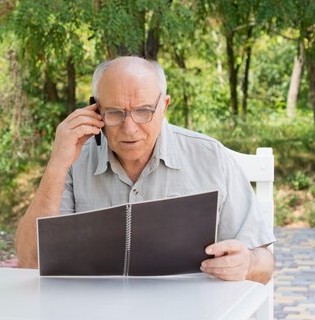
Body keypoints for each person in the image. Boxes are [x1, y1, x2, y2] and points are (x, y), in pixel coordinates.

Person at [15, 56, 274, 284]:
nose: (130, 128)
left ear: (164, 106)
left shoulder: (210, 158)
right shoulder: (74, 160)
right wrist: (57, 164)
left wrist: (247, 263)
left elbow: (264, 264)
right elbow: (30, 261)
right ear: (96, 110)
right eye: (115, 113)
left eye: (143, 111)